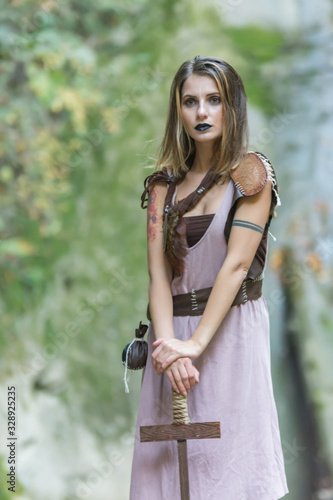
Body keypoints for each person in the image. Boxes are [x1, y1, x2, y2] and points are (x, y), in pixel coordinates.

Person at [129, 55, 289, 499]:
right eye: (190, 101)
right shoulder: (162, 187)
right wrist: (171, 352)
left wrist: (195, 345)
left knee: (231, 466)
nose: (202, 112)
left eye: (214, 100)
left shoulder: (251, 177)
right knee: (166, 471)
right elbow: (157, 277)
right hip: (170, 337)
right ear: (177, 111)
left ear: (232, 106)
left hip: (229, 333)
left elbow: (236, 267)